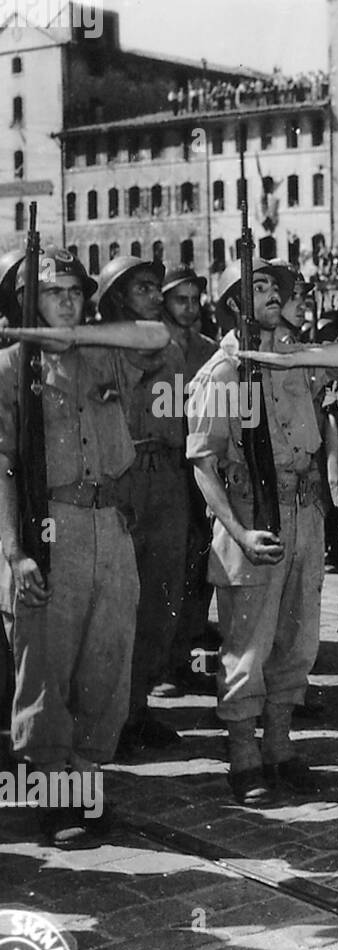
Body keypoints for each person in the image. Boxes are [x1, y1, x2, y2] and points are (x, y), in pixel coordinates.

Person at [187, 258, 338, 807]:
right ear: (232, 304)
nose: (274, 295)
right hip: (252, 515)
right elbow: (202, 462)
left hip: (304, 511)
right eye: (259, 287)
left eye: (279, 288)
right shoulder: (224, 372)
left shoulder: (295, 359)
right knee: (248, 645)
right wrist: (240, 534)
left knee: (297, 641)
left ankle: (280, 748)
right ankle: (244, 758)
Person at [0, 249, 169, 848]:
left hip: (108, 522)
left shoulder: (102, 353)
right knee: (46, 660)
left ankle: (87, 780)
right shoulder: (10, 368)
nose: (69, 299)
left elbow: (156, 334)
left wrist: (70, 332)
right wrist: (14, 552)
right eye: (53, 292)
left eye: (76, 290)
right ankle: (52, 795)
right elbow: (1, 468)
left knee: (107, 656)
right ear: (23, 299)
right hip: (50, 522)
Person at [93, 255, 191, 754]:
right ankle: (110, 716)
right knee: (118, 605)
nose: (156, 296)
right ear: (115, 298)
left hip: (167, 479)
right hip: (122, 480)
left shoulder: (170, 349)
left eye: (157, 288)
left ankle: (138, 707)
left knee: (161, 601)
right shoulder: (101, 349)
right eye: (143, 289)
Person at [156, 266, 220, 697]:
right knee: (163, 570)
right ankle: (159, 664)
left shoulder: (209, 352)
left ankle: (187, 654)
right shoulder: (149, 348)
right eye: (181, 299)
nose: (190, 307)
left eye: (196, 299)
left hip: (201, 471)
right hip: (162, 471)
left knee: (200, 566)